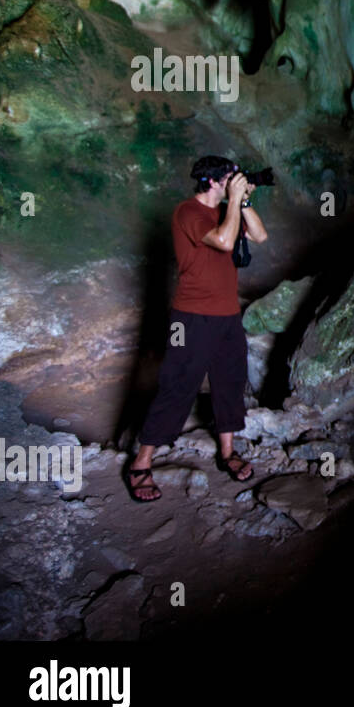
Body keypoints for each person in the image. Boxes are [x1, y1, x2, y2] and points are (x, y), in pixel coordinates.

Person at [127, 156, 270, 502]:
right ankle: (141, 463)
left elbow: (261, 236)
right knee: (178, 385)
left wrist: (244, 199)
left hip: (227, 316)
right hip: (190, 318)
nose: (233, 186)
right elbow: (222, 241)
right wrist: (234, 201)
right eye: (229, 181)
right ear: (211, 181)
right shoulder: (187, 213)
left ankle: (227, 452)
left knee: (230, 383)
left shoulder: (230, 209)